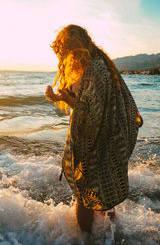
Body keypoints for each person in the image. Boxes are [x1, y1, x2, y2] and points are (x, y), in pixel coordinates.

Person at [45, 24, 143, 233]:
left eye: (63, 47)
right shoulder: (96, 66)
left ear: (74, 45)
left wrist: (65, 100)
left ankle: (88, 239)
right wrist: (65, 99)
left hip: (96, 139)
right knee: (103, 191)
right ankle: (111, 235)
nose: (61, 53)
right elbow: (93, 107)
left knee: (85, 194)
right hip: (103, 138)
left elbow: (95, 112)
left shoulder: (95, 69)